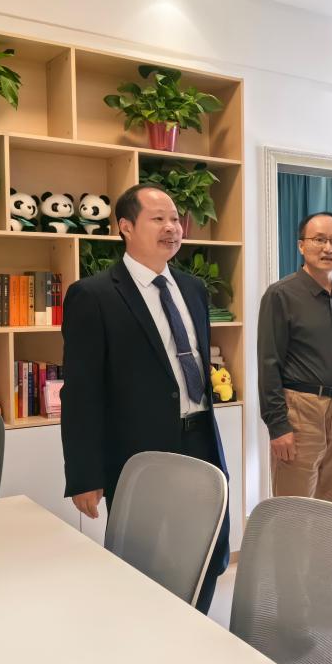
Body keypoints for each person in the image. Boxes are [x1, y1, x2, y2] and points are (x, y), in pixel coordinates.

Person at [61, 183, 230, 614]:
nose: (172, 227)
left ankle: (196, 627)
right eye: (158, 219)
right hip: (140, 452)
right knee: (145, 560)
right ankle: (145, 639)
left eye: (175, 219)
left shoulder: (193, 289)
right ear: (125, 227)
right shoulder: (93, 295)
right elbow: (81, 392)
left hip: (201, 440)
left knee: (207, 552)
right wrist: (84, 474)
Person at [257, 211, 332, 503]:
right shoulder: (280, 295)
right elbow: (269, 364)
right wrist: (277, 426)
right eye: (319, 240)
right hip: (301, 410)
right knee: (294, 507)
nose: (328, 248)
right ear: (301, 245)